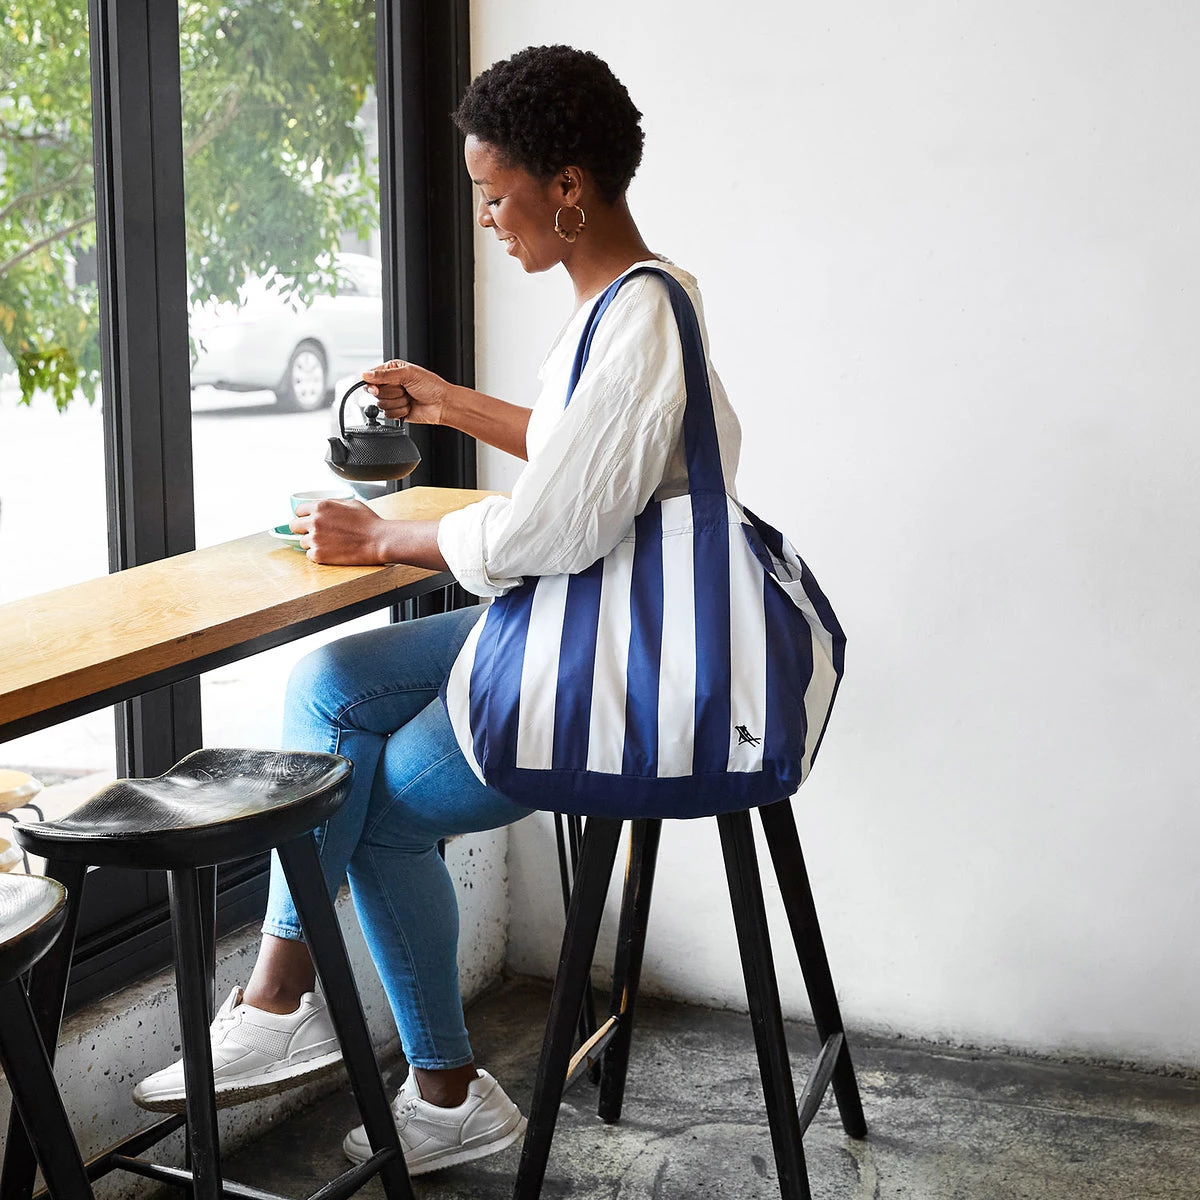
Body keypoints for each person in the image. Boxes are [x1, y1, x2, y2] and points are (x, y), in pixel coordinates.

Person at [133, 44, 742, 1176]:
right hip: (589, 617)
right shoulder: (630, 306)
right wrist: (454, 403)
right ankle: (309, 1012)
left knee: (362, 801)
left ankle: (370, 1048)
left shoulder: (641, 315)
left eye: (493, 193)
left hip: (609, 665)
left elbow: (553, 530)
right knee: (328, 686)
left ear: (566, 188)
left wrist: (385, 536)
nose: (486, 218)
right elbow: (587, 454)